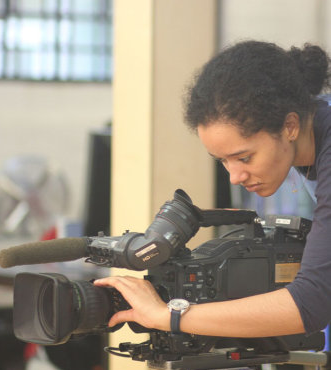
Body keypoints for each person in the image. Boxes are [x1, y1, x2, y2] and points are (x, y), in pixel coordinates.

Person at [94, 41, 331, 338]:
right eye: (223, 160)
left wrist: (168, 316)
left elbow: (310, 303)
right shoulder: (314, 131)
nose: (235, 176)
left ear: (290, 127)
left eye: (245, 157)